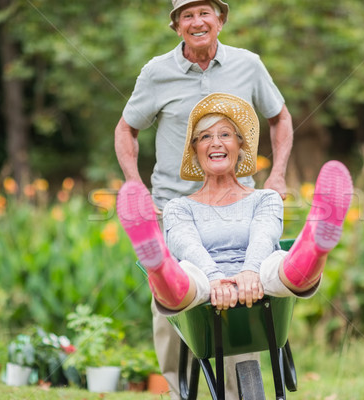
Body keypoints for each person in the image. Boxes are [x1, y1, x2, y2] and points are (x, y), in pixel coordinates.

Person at [114, 0, 293, 398]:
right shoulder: (157, 73)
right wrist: (134, 185)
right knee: (174, 304)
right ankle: (184, 392)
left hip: (236, 207)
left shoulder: (247, 64)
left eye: (204, 13)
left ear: (220, 20)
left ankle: (234, 390)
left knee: (240, 291)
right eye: (187, 15)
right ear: (176, 26)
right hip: (173, 206)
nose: (197, 22)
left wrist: (277, 173)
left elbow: (279, 116)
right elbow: (126, 129)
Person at [116, 94, 353, 394]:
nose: (215, 142)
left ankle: (318, 242)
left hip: (259, 277)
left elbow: (265, 236)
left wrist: (250, 271)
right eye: (205, 137)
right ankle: (157, 262)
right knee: (187, 268)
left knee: (276, 261)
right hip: (204, 283)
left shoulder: (264, 198)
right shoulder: (179, 207)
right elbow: (188, 245)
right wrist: (216, 278)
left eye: (225, 134)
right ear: (195, 150)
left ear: (240, 146)